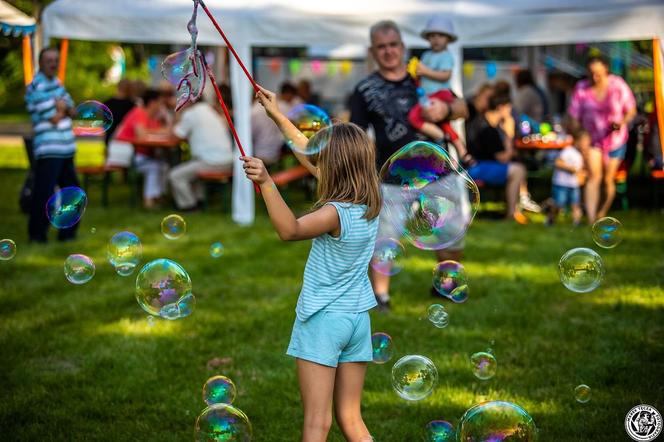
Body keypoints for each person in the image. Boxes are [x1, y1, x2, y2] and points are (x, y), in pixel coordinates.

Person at [242, 86, 380, 442]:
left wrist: (267, 182)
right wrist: (276, 114)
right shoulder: (369, 204)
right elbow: (306, 150)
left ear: (330, 166)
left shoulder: (333, 212)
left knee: (317, 424)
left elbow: (289, 230)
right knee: (351, 418)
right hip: (357, 319)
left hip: (323, 321)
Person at [350, 20, 469, 310]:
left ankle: (447, 285)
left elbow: (464, 108)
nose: (389, 51)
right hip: (392, 177)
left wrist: (447, 109)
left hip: (439, 170)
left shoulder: (424, 79)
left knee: (449, 230)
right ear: (372, 51)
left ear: (403, 47)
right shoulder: (365, 89)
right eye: (382, 47)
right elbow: (355, 133)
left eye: (393, 45)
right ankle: (381, 297)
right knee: (385, 238)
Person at [567, 55, 636, 222]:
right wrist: (579, 134)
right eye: (591, 73)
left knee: (608, 179)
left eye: (598, 73)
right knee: (593, 176)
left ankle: (602, 213)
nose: (595, 77)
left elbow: (631, 110)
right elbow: (574, 117)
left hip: (615, 139)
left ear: (606, 69)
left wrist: (621, 122)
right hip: (592, 140)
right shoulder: (582, 88)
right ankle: (591, 220)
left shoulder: (617, 85)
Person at [25, 47, 80, 243]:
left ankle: (68, 235)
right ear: (40, 62)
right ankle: (37, 235)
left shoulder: (58, 84)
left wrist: (62, 108)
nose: (53, 63)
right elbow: (54, 118)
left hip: (66, 148)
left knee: (72, 193)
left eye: (56, 60)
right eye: (49, 60)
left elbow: (72, 111)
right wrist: (61, 109)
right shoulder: (35, 87)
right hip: (49, 149)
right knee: (44, 193)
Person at [467, 91, 528, 224]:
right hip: (476, 168)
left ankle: (514, 209)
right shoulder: (487, 128)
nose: (510, 112)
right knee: (518, 170)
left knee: (518, 167)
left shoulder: (484, 122)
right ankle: (511, 213)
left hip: (480, 165)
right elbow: (503, 158)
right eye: (509, 108)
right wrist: (509, 134)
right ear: (501, 107)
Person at [169, 93, 234, 211]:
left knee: (175, 176)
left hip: (212, 162)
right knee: (194, 166)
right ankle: (200, 200)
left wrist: (177, 115)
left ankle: (189, 206)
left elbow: (175, 137)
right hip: (228, 161)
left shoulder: (191, 114)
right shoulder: (211, 110)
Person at [112, 89, 170, 209]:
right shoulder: (139, 113)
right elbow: (142, 135)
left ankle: (158, 196)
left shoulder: (152, 118)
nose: (162, 106)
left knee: (163, 165)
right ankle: (148, 200)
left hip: (138, 154)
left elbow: (165, 130)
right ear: (153, 103)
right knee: (155, 166)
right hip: (126, 154)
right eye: (160, 103)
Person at [547, 129, 590, 226]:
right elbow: (558, 162)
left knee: (575, 204)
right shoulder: (568, 151)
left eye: (588, 142)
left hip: (573, 185)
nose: (586, 145)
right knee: (558, 204)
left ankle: (576, 222)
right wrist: (570, 168)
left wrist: (583, 174)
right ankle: (551, 218)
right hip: (561, 183)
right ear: (577, 141)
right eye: (584, 142)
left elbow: (579, 169)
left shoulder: (581, 154)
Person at [416, 16, 457, 95]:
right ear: (428, 38)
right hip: (425, 94)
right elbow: (420, 74)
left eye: (441, 35)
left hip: (441, 95)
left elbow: (446, 76)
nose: (436, 39)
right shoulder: (426, 55)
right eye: (432, 36)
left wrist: (426, 72)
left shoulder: (446, 56)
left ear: (448, 39)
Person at [103, 79, 136, 145]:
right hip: (125, 138)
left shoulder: (108, 103)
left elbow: (104, 124)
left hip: (110, 135)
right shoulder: (131, 105)